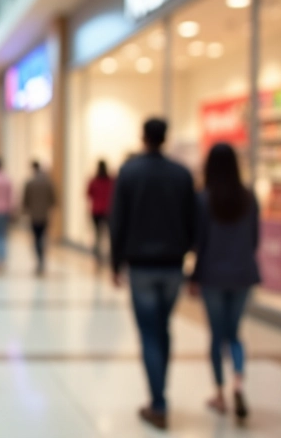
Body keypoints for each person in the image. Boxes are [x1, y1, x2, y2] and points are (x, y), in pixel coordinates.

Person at [110, 118, 196, 430]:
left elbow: (117, 220)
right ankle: (160, 396)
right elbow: (193, 220)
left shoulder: (130, 173)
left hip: (142, 266)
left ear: (143, 137)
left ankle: (158, 402)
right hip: (173, 265)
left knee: (149, 333)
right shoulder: (182, 174)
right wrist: (189, 254)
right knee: (163, 328)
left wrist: (115, 262)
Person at [189, 143, 260, 422]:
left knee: (217, 337)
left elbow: (199, 242)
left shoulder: (203, 199)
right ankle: (239, 383)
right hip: (243, 274)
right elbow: (255, 239)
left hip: (213, 276)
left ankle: (219, 393)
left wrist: (194, 277)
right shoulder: (249, 198)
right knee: (235, 333)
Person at [21, 161, 56, 276]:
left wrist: (25, 210)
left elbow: (25, 200)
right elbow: (53, 199)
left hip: (34, 215)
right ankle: (42, 259)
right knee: (43, 236)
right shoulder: (48, 182)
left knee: (36, 238)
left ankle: (39, 260)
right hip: (45, 215)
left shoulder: (30, 183)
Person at [87, 160, 115, 268]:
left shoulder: (94, 180)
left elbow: (88, 194)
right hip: (108, 210)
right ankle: (110, 255)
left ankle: (98, 256)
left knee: (98, 234)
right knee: (109, 234)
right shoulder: (110, 181)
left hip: (96, 211)